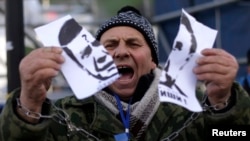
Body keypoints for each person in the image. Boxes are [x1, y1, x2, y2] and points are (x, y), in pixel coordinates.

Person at [1, 5, 250, 141]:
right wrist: (29, 102)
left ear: (153, 60)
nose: (120, 52)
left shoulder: (192, 109)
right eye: (109, 45)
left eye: (133, 44)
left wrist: (224, 103)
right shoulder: (63, 114)